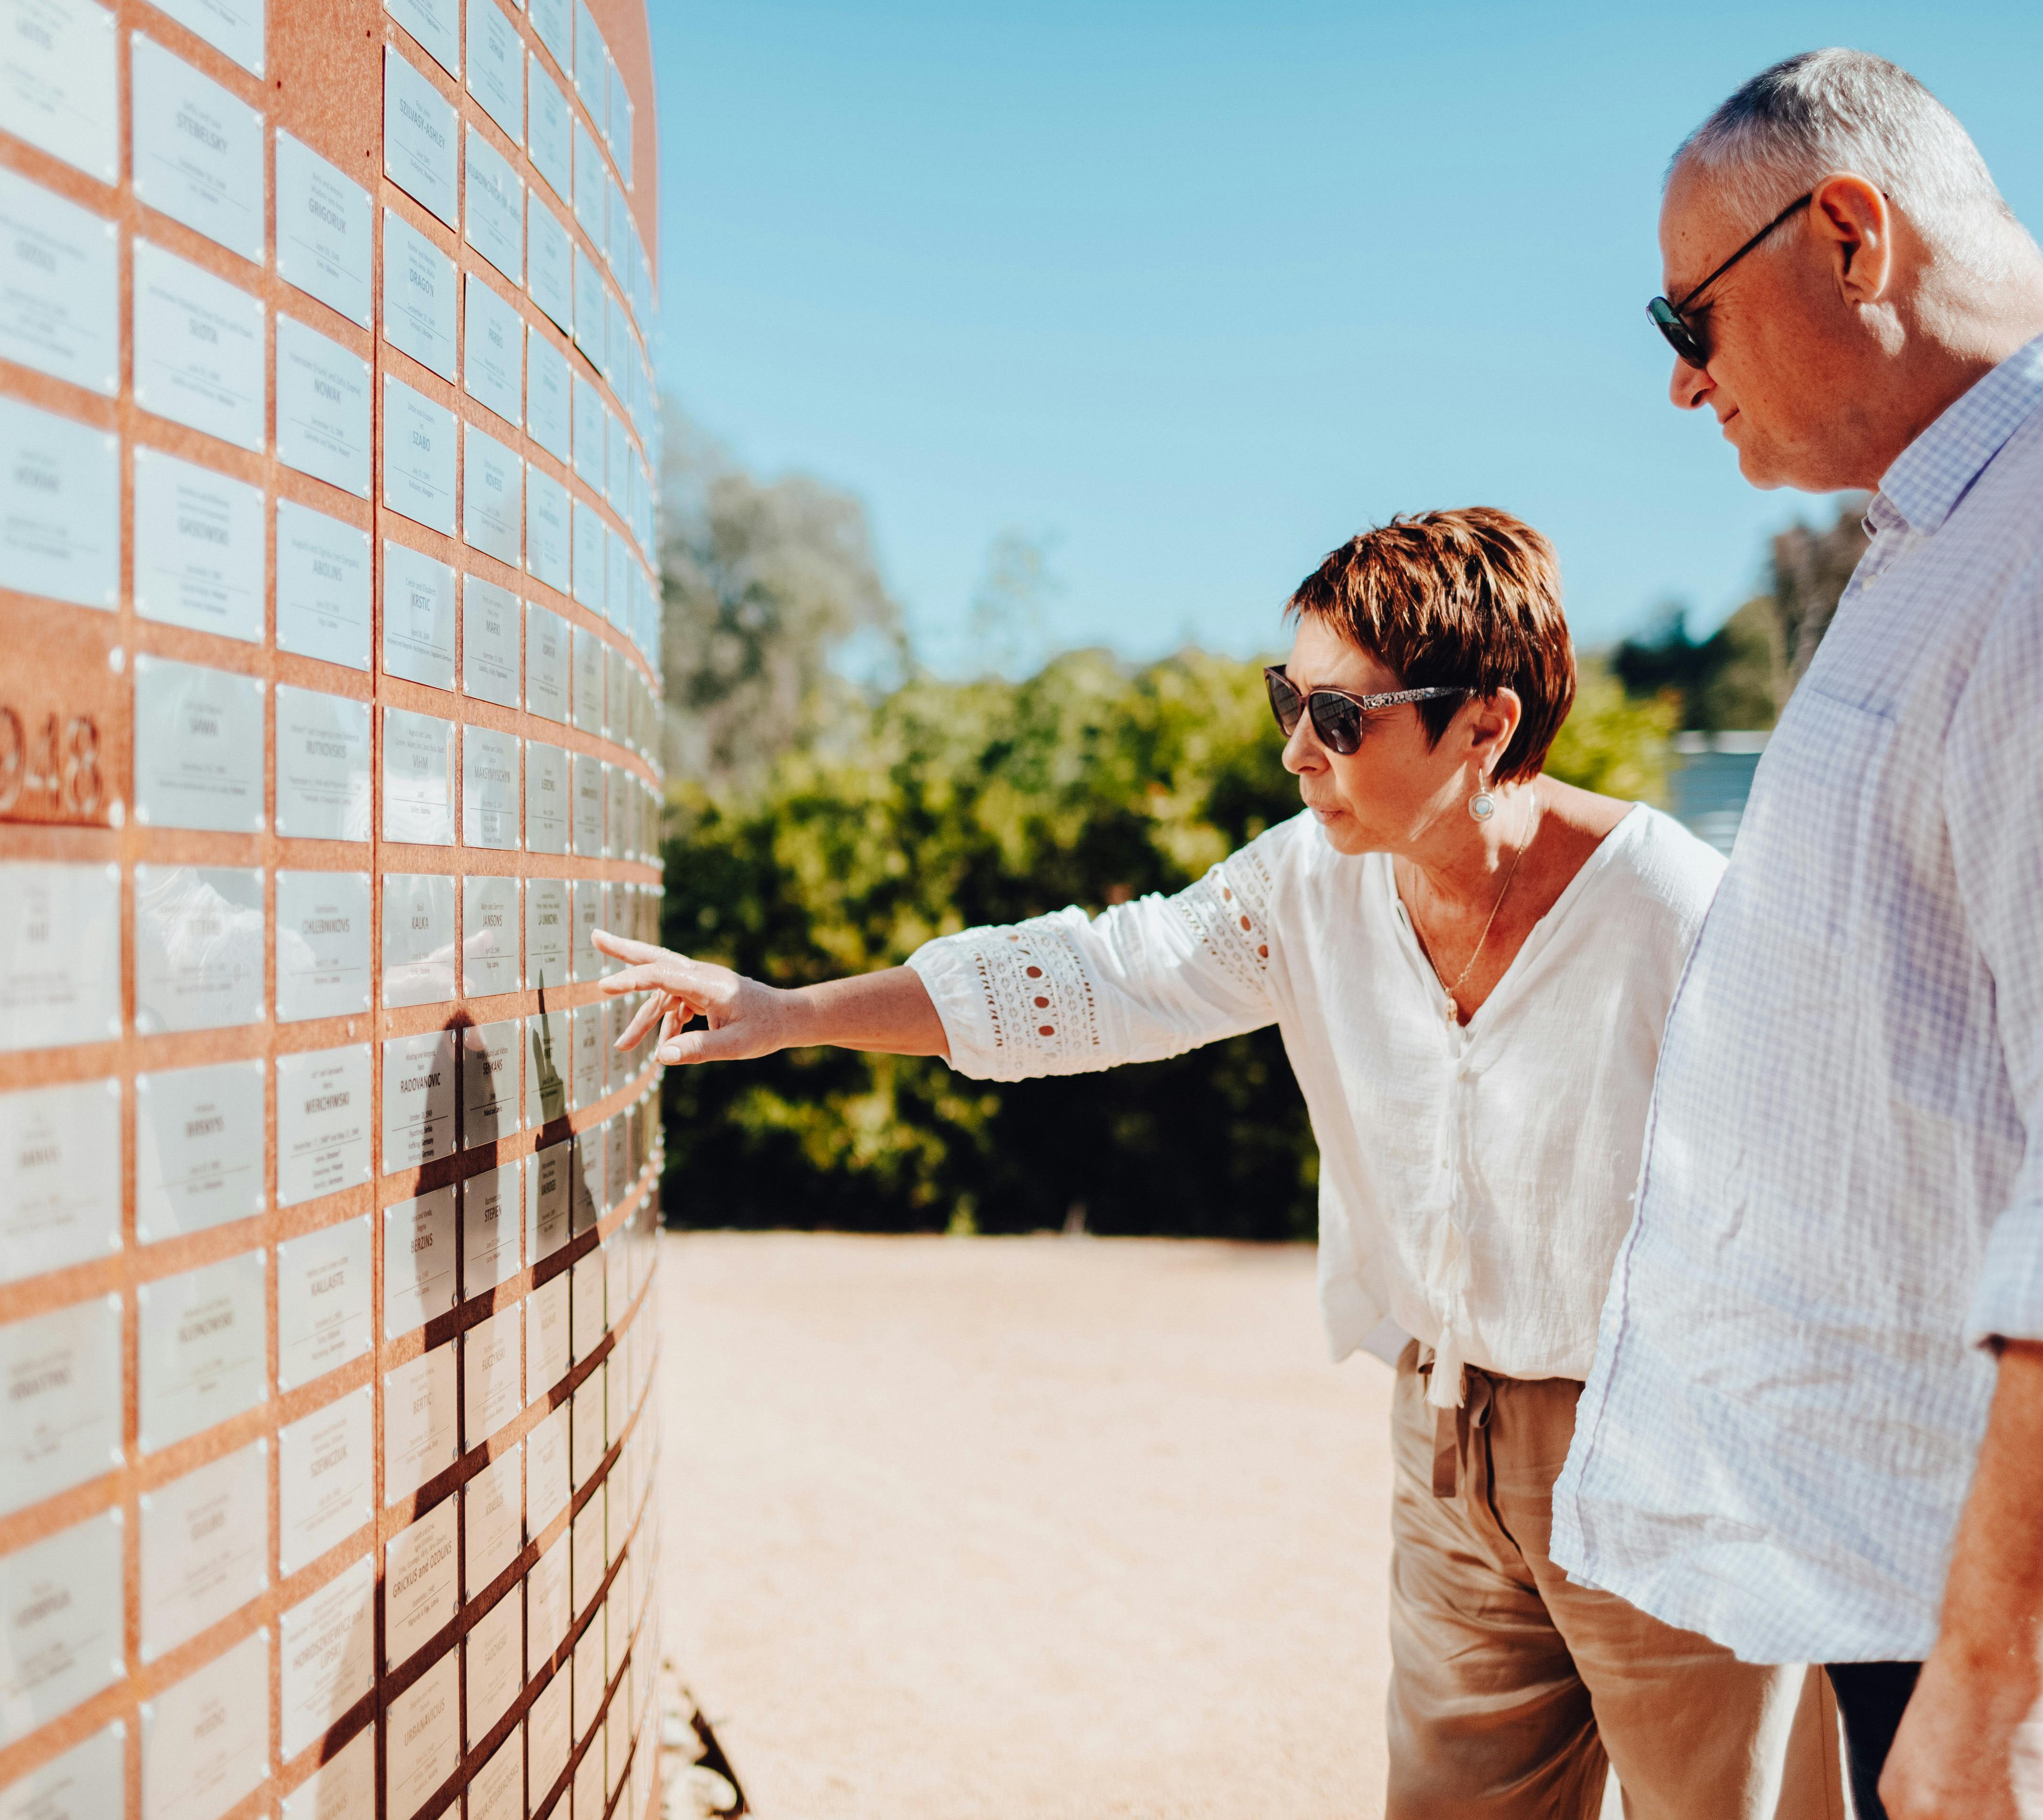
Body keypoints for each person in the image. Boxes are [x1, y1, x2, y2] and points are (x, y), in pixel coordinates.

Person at [596, 508, 1843, 1819]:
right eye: (1285, 701)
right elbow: (1101, 975)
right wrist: (791, 1013)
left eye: (1342, 718)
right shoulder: (1312, 883)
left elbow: (1822, 1191)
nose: (1300, 750)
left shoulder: (1677, 912)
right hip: (1448, 1435)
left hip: (1671, 1452)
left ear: (1488, 721)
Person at [1555, 48, 2043, 1820]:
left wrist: (1998, 1688)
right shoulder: (1997, 524)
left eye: (1687, 319)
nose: (1679, 384)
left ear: (1853, 238)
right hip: (1967, 1614)